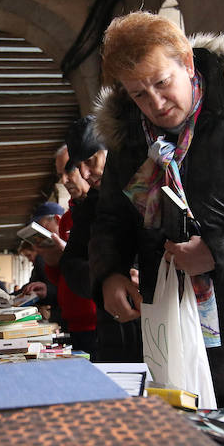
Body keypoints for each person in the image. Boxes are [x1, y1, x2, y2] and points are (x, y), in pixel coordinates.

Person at [89, 11, 224, 432]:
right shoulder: (129, 142)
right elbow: (111, 219)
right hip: (173, 334)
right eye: (139, 94)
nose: (156, 103)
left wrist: (218, 251)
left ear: (186, 60)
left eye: (162, 83)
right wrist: (108, 274)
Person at [62, 118, 142, 362]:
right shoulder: (90, 208)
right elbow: (70, 263)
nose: (84, 174)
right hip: (114, 333)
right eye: (79, 166)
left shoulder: (148, 189)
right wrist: (105, 278)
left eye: (90, 160)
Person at [32, 200, 100, 356]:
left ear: (56, 219)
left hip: (93, 320)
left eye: (42, 226)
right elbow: (64, 280)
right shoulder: (68, 222)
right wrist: (51, 262)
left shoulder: (87, 218)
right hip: (71, 321)